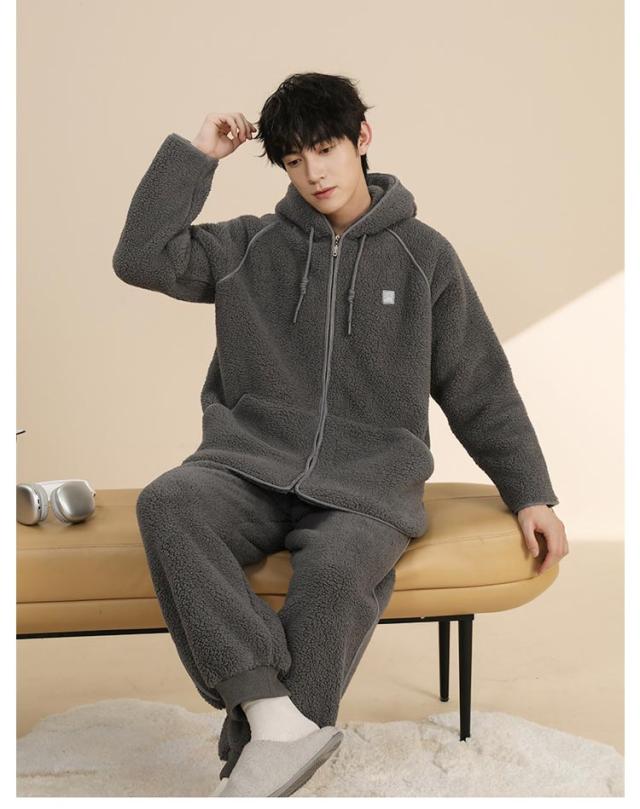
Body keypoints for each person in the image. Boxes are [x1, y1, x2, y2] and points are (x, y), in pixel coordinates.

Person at [112, 72, 568, 797]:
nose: (314, 173)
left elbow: (478, 384)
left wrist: (531, 492)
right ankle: (274, 716)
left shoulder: (424, 256)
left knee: (335, 574)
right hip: (248, 465)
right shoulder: (249, 246)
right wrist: (198, 155)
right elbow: (140, 257)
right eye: (294, 159)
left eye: (325, 149)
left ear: (362, 138)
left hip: (367, 485)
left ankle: (258, 755)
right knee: (168, 502)